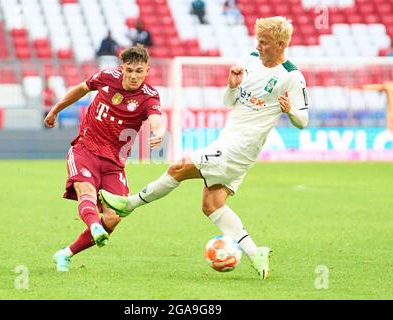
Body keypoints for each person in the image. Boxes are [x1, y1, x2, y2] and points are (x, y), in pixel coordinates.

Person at [100, 16, 309, 280]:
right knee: (212, 204)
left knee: (178, 167)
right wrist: (232, 86)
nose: (259, 44)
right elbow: (229, 101)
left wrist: (290, 112)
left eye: (264, 42)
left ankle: (129, 205)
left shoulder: (291, 76)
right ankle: (256, 254)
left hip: (242, 148)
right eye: (258, 40)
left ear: (280, 44)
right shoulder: (249, 59)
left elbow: (303, 121)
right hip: (228, 140)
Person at [44, 44, 165, 272]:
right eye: (129, 70)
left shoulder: (149, 96)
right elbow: (81, 89)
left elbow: (156, 118)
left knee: (112, 219)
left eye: (139, 71)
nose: (133, 76)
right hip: (85, 150)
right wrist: (55, 110)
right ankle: (93, 226)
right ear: (122, 68)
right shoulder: (107, 77)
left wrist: (158, 132)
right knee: (86, 191)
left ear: (147, 71)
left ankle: (66, 253)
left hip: (114, 163)